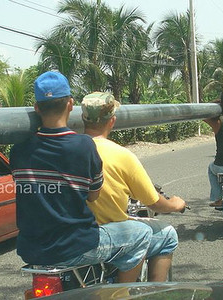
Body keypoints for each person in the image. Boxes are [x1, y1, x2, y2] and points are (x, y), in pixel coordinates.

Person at [10, 71, 153, 283]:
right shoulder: (83, 146)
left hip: (30, 249)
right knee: (142, 234)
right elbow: (93, 196)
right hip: (75, 245)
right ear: (70, 104)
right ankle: (123, 294)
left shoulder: (19, 150)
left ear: (36, 107)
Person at [81, 91, 187, 282]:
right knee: (168, 236)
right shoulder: (121, 155)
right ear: (112, 121)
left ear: (83, 118)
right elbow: (154, 203)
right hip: (108, 231)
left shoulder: (70, 149)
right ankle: (154, 294)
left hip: (77, 232)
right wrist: (176, 204)